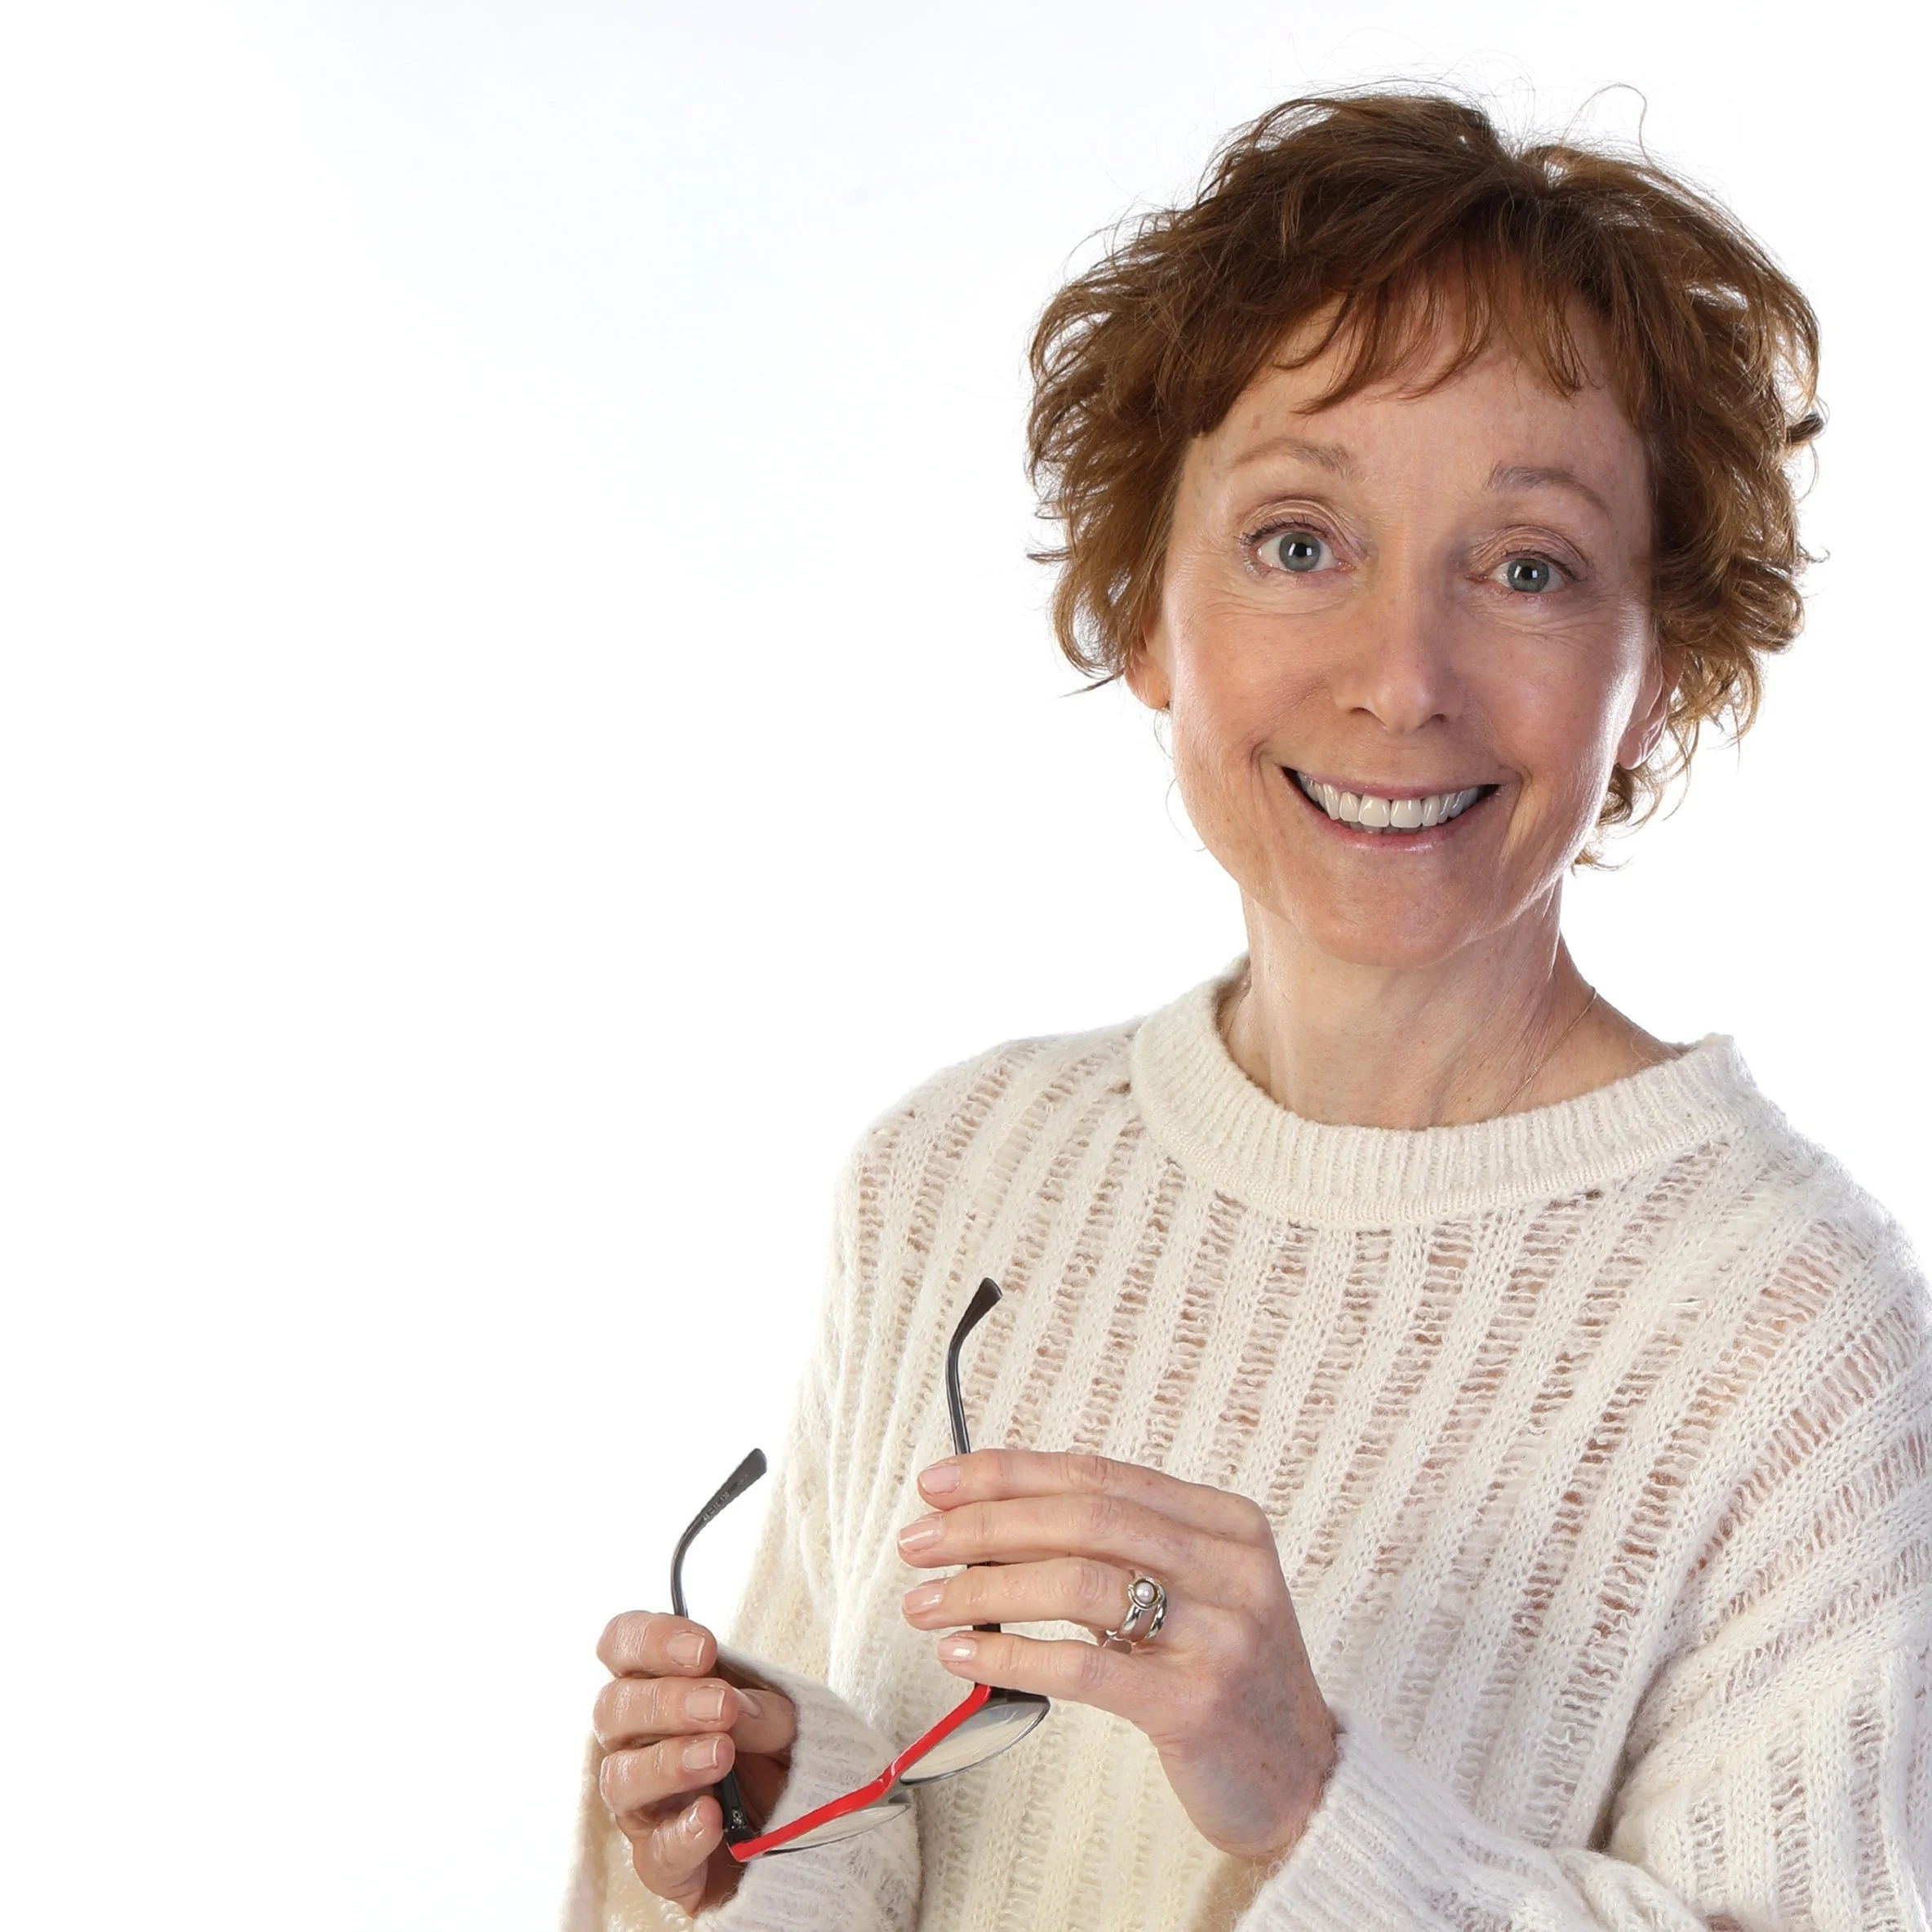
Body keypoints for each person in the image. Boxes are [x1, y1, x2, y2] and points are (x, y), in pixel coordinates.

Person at [564, 91, 1932, 1930]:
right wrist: (774, 1822)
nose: (1400, 679)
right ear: (1146, 606)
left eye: (1526, 567)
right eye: (1300, 542)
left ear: (1659, 673)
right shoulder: (950, 1176)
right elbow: (879, 1859)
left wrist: (1308, 1799)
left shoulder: (1790, 1341)